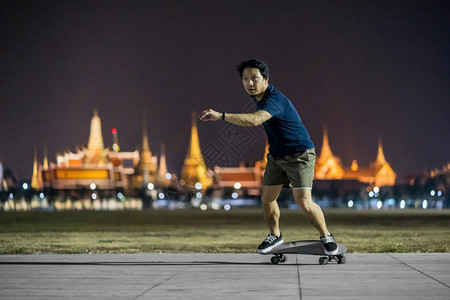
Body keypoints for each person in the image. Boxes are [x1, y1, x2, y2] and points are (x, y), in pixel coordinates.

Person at [199, 59, 338, 255]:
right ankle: (275, 235)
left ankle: (326, 236)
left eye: (254, 78)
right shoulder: (260, 98)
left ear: (266, 79)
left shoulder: (274, 99)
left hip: (300, 154)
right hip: (276, 156)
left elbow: (255, 119)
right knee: (267, 199)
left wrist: (221, 115)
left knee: (303, 202)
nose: (249, 83)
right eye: (245, 79)